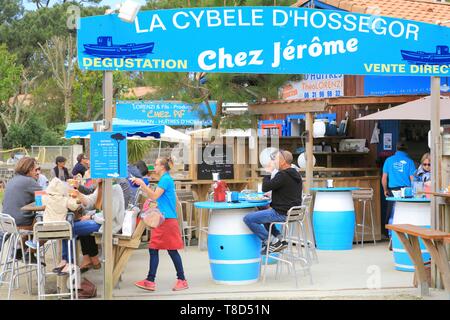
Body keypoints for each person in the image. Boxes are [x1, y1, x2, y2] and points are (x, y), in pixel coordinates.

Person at [131, 157, 188, 292]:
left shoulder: (165, 180)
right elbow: (158, 197)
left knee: (166, 249)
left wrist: (142, 184)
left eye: (156, 164)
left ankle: (158, 280)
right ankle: (154, 280)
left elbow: (155, 196)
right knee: (164, 249)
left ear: (162, 167)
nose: (153, 167)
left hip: (166, 220)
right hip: (165, 219)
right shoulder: (166, 179)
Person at [243, 150, 303, 254]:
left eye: (275, 159)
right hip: (292, 213)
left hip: (281, 213)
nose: (273, 162)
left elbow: (265, 187)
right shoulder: (294, 174)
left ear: (282, 161)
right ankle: (279, 238)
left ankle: (271, 241)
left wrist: (268, 172)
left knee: (248, 219)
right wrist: (273, 194)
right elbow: (287, 190)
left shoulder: (283, 175)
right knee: (262, 208)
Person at [1, 157, 42, 260]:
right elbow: (45, 197)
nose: (37, 172)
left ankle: (19, 249)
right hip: (21, 222)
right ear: (29, 169)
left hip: (7, 222)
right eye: (35, 169)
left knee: (35, 220)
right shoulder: (29, 181)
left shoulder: (12, 180)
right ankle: (29, 252)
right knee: (43, 225)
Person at [382, 141, 416, 234]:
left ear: (396, 149)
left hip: (393, 191)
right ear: (407, 150)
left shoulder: (389, 160)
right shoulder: (410, 161)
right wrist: (415, 191)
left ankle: (389, 234)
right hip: (406, 191)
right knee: (405, 212)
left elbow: (384, 178)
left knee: (392, 212)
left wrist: (385, 190)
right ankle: (406, 233)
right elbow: (412, 178)